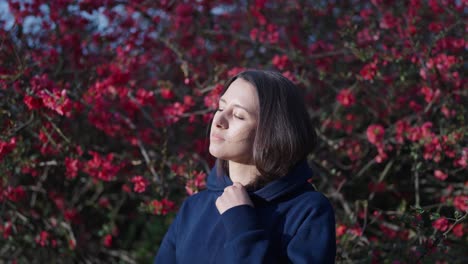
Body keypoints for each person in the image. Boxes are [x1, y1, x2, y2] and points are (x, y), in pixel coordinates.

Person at [155, 70, 336, 263]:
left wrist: (241, 225)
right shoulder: (194, 207)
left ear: (274, 131)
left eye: (238, 115)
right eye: (220, 107)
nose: (219, 121)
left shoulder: (307, 211)